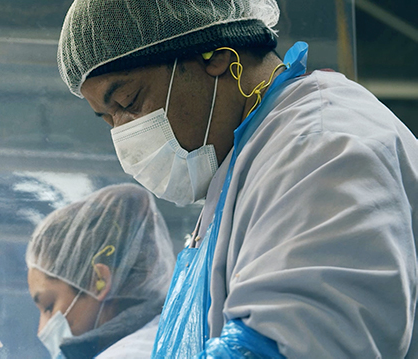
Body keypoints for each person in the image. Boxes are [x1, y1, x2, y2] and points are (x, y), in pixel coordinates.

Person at [56, 0, 418, 358]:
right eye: (107, 119)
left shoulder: (322, 147)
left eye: (129, 101)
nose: (125, 134)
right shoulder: (245, 163)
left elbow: (295, 342)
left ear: (215, 54)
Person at [26, 183, 176, 358]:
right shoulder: (161, 339)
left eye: (49, 306)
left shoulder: (126, 354)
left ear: (99, 281)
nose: (42, 329)